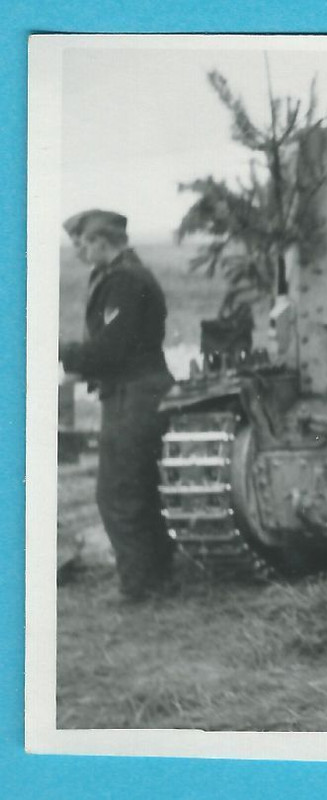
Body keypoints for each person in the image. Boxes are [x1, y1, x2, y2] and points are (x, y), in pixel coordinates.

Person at [60, 209, 176, 602]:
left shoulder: (125, 280)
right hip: (136, 391)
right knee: (139, 487)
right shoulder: (123, 275)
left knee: (119, 493)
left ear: (100, 240)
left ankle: (141, 586)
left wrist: (58, 352)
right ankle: (156, 577)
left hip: (135, 395)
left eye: (82, 243)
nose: (79, 250)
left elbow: (111, 348)